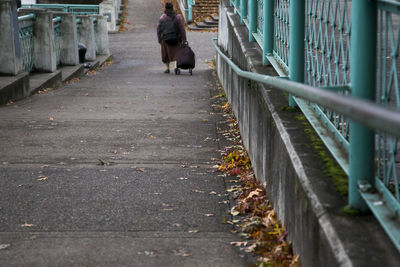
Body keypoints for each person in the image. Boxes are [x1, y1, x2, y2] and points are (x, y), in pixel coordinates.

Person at [157, 2, 187, 74]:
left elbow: (158, 30)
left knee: (166, 54)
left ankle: (167, 68)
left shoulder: (162, 18)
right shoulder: (177, 17)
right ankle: (176, 67)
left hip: (165, 39)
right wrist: (184, 39)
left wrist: (159, 40)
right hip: (176, 39)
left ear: (165, 8)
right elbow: (182, 29)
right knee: (176, 53)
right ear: (172, 8)